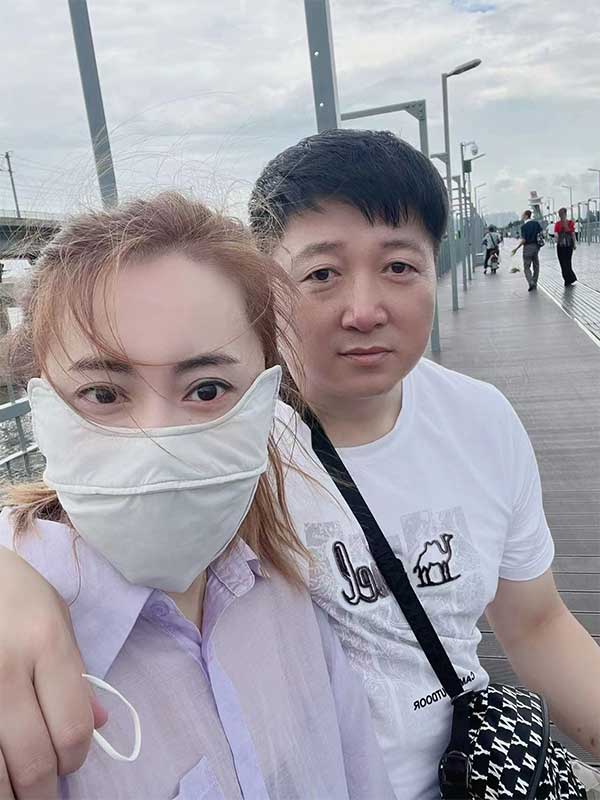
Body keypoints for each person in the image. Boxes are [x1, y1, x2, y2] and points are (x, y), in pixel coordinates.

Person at [1, 131, 600, 800]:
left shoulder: (483, 421)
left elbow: (538, 623)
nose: (364, 310)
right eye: (321, 274)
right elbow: (72, 507)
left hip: (470, 770)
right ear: (268, 291)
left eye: (399, 266)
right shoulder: (223, 446)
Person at [0, 193, 394, 800]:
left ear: (265, 397)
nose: (158, 442)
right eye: (103, 394)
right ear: (43, 404)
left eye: (208, 389)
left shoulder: (288, 592)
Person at [511, 209, 543, 291]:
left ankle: (531, 282)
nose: (522, 216)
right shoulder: (536, 224)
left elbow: (524, 240)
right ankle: (535, 282)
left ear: (526, 216)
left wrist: (516, 248)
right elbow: (540, 234)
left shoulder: (524, 227)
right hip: (536, 247)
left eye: (523, 215)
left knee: (526, 267)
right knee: (536, 265)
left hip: (527, 248)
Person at [555, 207, 578, 286]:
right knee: (567, 262)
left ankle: (568, 279)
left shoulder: (560, 223)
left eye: (561, 214)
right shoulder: (570, 223)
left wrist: (556, 238)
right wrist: (574, 244)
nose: (560, 215)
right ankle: (569, 278)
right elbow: (572, 234)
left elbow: (557, 234)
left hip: (562, 245)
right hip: (567, 245)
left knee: (564, 262)